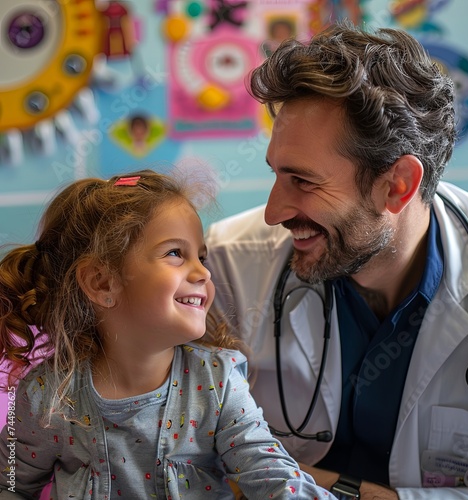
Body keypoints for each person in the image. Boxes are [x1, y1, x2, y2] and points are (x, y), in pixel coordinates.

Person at [205, 21, 468, 499]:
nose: (273, 211)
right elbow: (195, 460)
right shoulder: (228, 266)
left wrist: (315, 486)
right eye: (277, 174)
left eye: (303, 181)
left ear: (397, 185)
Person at [0, 169, 336, 499]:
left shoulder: (218, 384)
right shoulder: (48, 396)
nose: (203, 271)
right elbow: (9, 483)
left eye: (201, 256)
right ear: (102, 282)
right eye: (175, 253)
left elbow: (271, 475)